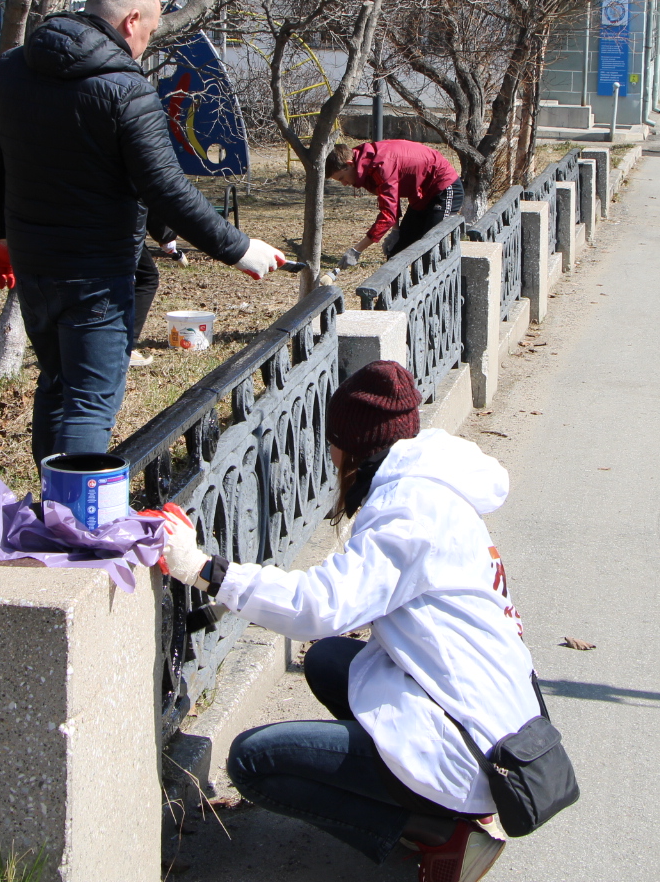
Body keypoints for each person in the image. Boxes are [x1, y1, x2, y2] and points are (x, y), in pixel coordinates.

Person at [158, 361, 540, 882]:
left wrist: (205, 570)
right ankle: (434, 804)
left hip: (472, 746)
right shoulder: (433, 487)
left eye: (334, 444)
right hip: (493, 715)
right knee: (329, 660)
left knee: (252, 761)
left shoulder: (409, 511)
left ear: (356, 449)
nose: (330, 456)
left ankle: (444, 832)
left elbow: (317, 606)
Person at [0, 0, 286, 461]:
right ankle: (74, 528)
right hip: (96, 274)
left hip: (35, 267)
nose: (145, 43)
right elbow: (164, 186)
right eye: (149, 31)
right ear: (130, 20)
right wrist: (240, 248)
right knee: (89, 403)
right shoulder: (125, 88)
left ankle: (51, 512)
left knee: (56, 385)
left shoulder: (12, 69)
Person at [327, 139, 462, 265]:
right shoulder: (364, 164)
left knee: (431, 248)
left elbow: (388, 215)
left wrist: (357, 250)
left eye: (341, 178)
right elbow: (390, 199)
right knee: (397, 252)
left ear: (349, 164)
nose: (344, 184)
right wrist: (396, 231)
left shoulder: (380, 165)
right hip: (421, 197)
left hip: (444, 189)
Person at [128, 217, 184, 368]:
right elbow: (148, 202)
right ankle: (125, 348)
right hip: (117, 229)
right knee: (147, 278)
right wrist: (165, 237)